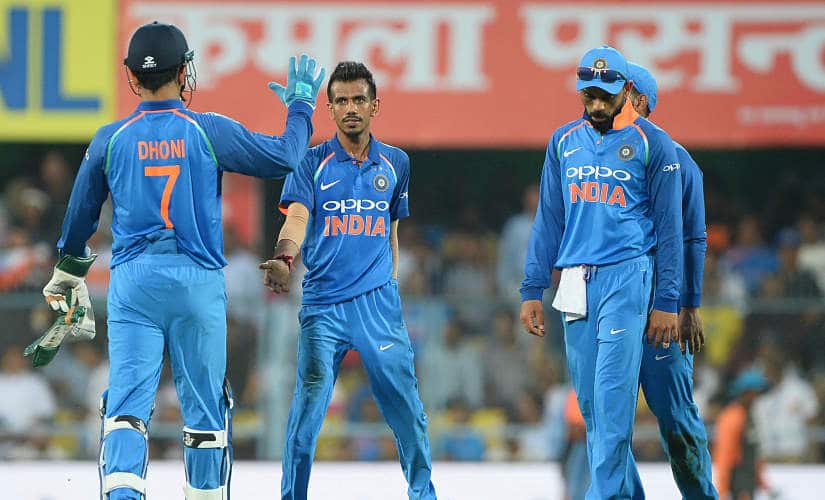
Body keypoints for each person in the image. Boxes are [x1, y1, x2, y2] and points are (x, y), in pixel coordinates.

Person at [30, 21, 325, 500]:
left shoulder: (110, 137)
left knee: (126, 408)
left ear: (132, 75)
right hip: (197, 282)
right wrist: (301, 107)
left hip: (134, 283)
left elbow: (80, 216)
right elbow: (286, 157)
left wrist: (68, 269)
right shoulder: (207, 129)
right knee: (206, 411)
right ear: (183, 71)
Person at [259, 61, 437, 500]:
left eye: (359, 99)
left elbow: (391, 231)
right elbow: (297, 217)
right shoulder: (310, 162)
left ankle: (424, 495)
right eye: (341, 101)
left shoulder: (396, 162)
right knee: (306, 415)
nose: (351, 108)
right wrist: (284, 257)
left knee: (408, 412)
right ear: (330, 108)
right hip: (323, 306)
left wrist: (389, 283)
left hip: (378, 305)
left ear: (375, 105)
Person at [519, 45, 683, 499]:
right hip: (575, 280)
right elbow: (549, 219)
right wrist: (532, 288)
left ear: (626, 90)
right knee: (592, 411)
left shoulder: (653, 143)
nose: (595, 105)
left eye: (605, 96)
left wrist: (668, 301)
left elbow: (671, 230)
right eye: (587, 95)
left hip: (627, 276)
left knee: (612, 402)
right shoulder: (563, 141)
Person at [628, 62, 719, 499]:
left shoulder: (679, 160)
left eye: (622, 92)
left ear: (641, 101)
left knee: (677, 420)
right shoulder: (589, 155)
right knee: (605, 424)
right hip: (610, 305)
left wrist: (688, 304)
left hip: (660, 310)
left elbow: (692, 237)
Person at [713, 368, 776, 500]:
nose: (758, 397)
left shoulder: (749, 416)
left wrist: (763, 483)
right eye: (756, 393)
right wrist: (722, 491)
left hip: (748, 482)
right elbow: (725, 454)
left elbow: (753, 453)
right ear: (746, 393)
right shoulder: (732, 417)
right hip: (738, 482)